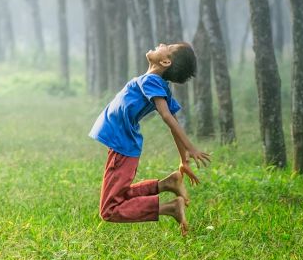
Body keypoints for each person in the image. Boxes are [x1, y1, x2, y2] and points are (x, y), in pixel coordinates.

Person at [89, 42, 211, 235]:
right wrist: (183, 160)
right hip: (122, 146)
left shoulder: (152, 81)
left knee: (109, 210)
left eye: (167, 46)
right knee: (119, 196)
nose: (161, 44)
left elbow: (168, 116)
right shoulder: (156, 83)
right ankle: (166, 184)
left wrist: (190, 148)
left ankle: (170, 208)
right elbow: (174, 120)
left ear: (165, 61)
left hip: (122, 147)